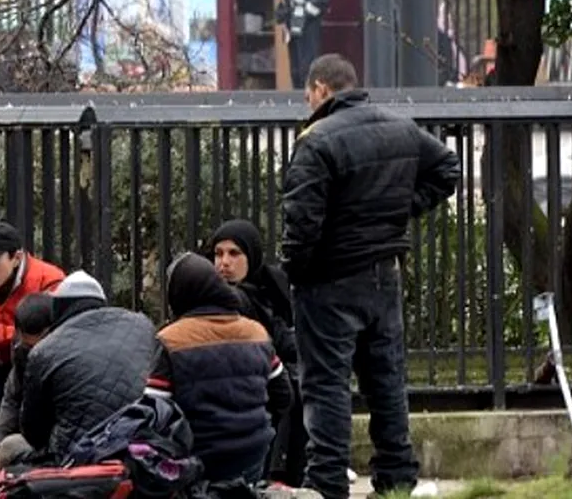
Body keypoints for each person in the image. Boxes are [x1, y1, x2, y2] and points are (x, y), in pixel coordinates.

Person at [282, 54, 460, 499]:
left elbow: (301, 223)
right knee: (386, 380)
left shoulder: (316, 140)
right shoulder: (399, 128)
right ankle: (397, 477)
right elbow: (447, 170)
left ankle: (326, 481)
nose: (307, 104)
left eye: (308, 95)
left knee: (326, 384)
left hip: (329, 280)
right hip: (384, 274)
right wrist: (404, 210)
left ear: (322, 88)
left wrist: (296, 272)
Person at [148, 252, 291, 485]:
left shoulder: (171, 339)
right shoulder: (256, 332)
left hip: (196, 460)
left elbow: (152, 409)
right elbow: (284, 395)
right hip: (253, 455)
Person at [17, 271, 157, 464]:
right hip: (144, 452)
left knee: (10, 448)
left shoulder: (45, 350)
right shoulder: (143, 325)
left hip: (77, 461)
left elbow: (33, 432)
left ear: (58, 309)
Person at [209, 218, 305, 487]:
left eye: (234, 253)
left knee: (297, 382)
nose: (224, 263)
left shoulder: (272, 289)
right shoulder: (214, 297)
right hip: (232, 378)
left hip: (270, 372)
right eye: (218, 254)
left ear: (251, 256)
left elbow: (284, 339)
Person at [0, 222, 66, 419]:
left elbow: (58, 338)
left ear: (17, 257)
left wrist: (2, 336)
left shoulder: (49, 280)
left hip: (32, 375)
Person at [0, 292, 55, 481]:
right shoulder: (20, 350)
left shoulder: (60, 354)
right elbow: (11, 399)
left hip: (48, 438)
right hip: (24, 429)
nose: (34, 351)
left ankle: (7, 480)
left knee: (10, 445)